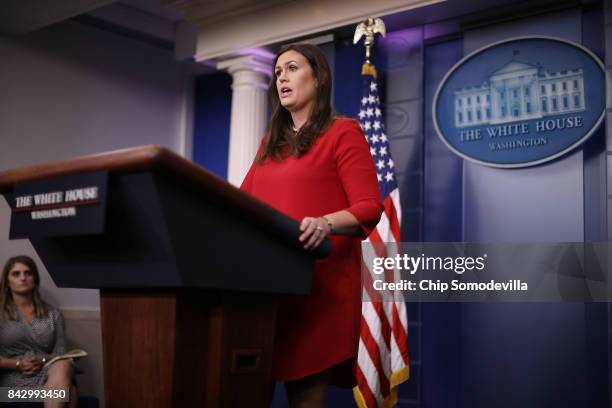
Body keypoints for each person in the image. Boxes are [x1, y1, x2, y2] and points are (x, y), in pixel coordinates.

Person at [240, 43, 383, 407]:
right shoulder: (269, 144)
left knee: (305, 397)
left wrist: (325, 223)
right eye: (277, 73)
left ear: (317, 77)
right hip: (265, 292)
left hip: (317, 292)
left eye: (291, 68)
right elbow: (241, 205)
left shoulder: (343, 132)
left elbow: (369, 207)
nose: (282, 77)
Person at [0, 255, 77, 408]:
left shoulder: (53, 314)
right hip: (11, 384)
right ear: (7, 282)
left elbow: (60, 353)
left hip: (48, 374)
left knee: (63, 365)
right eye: (16, 274)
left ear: (35, 279)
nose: (23, 278)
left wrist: (42, 360)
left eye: (28, 273)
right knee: (69, 393)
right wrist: (17, 364)